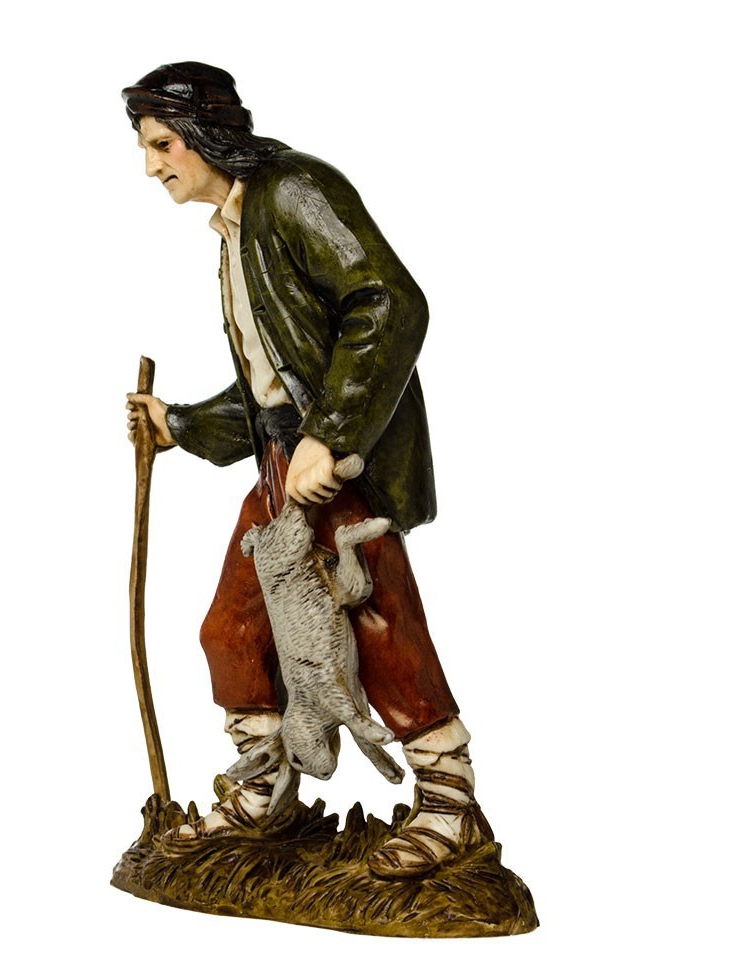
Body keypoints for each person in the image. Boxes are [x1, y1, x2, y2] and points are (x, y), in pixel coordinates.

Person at [122, 62, 493, 879]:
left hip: (333, 466)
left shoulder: (293, 192)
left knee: (380, 624)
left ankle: (450, 804)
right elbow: (273, 386)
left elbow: (388, 302)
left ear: (207, 135)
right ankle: (264, 790)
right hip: (280, 464)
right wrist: (180, 424)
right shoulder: (236, 227)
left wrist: (332, 435)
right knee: (233, 628)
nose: (151, 166)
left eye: (162, 144)